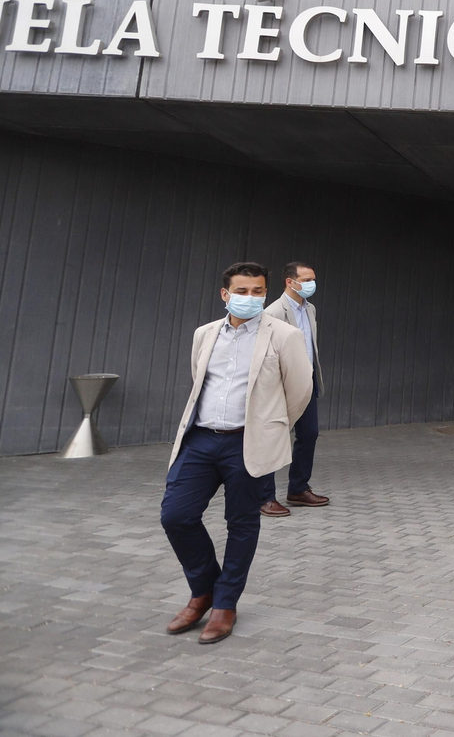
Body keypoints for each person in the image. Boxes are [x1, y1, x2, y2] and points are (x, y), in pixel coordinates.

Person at [159, 262, 312, 644]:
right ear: (225, 295)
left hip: (249, 442)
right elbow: (199, 380)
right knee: (176, 516)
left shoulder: (285, 336)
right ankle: (205, 589)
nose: (251, 298)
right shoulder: (205, 334)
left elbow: (300, 391)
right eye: (241, 292)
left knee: (241, 523)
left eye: (257, 291)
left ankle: (224, 604)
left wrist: (270, 426)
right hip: (201, 440)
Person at [258, 262, 327, 516]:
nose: (311, 284)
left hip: (305, 382)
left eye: (313, 279)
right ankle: (264, 497)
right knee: (274, 438)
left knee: (309, 434)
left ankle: (298, 489)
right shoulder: (274, 312)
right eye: (306, 280)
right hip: (280, 385)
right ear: (290, 282)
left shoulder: (310, 309)